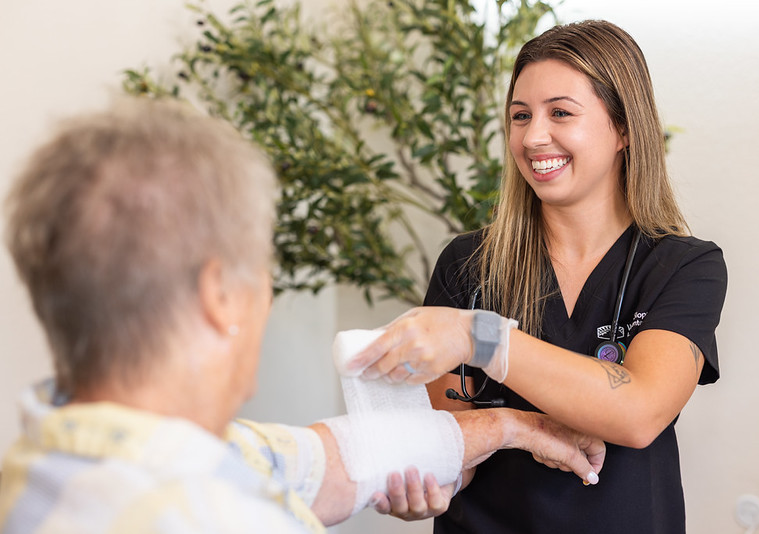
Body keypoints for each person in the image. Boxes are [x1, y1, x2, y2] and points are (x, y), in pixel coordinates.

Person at [0, 97, 606, 533]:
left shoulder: (56, 460)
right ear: (219, 296)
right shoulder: (220, 515)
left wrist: (515, 428)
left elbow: (343, 457)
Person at [349, 20, 728, 533]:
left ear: (624, 129)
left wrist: (476, 338)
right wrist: (435, 478)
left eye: (561, 113)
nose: (533, 137)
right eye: (520, 115)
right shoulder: (468, 264)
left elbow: (638, 412)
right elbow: (449, 448)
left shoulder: (682, 266)